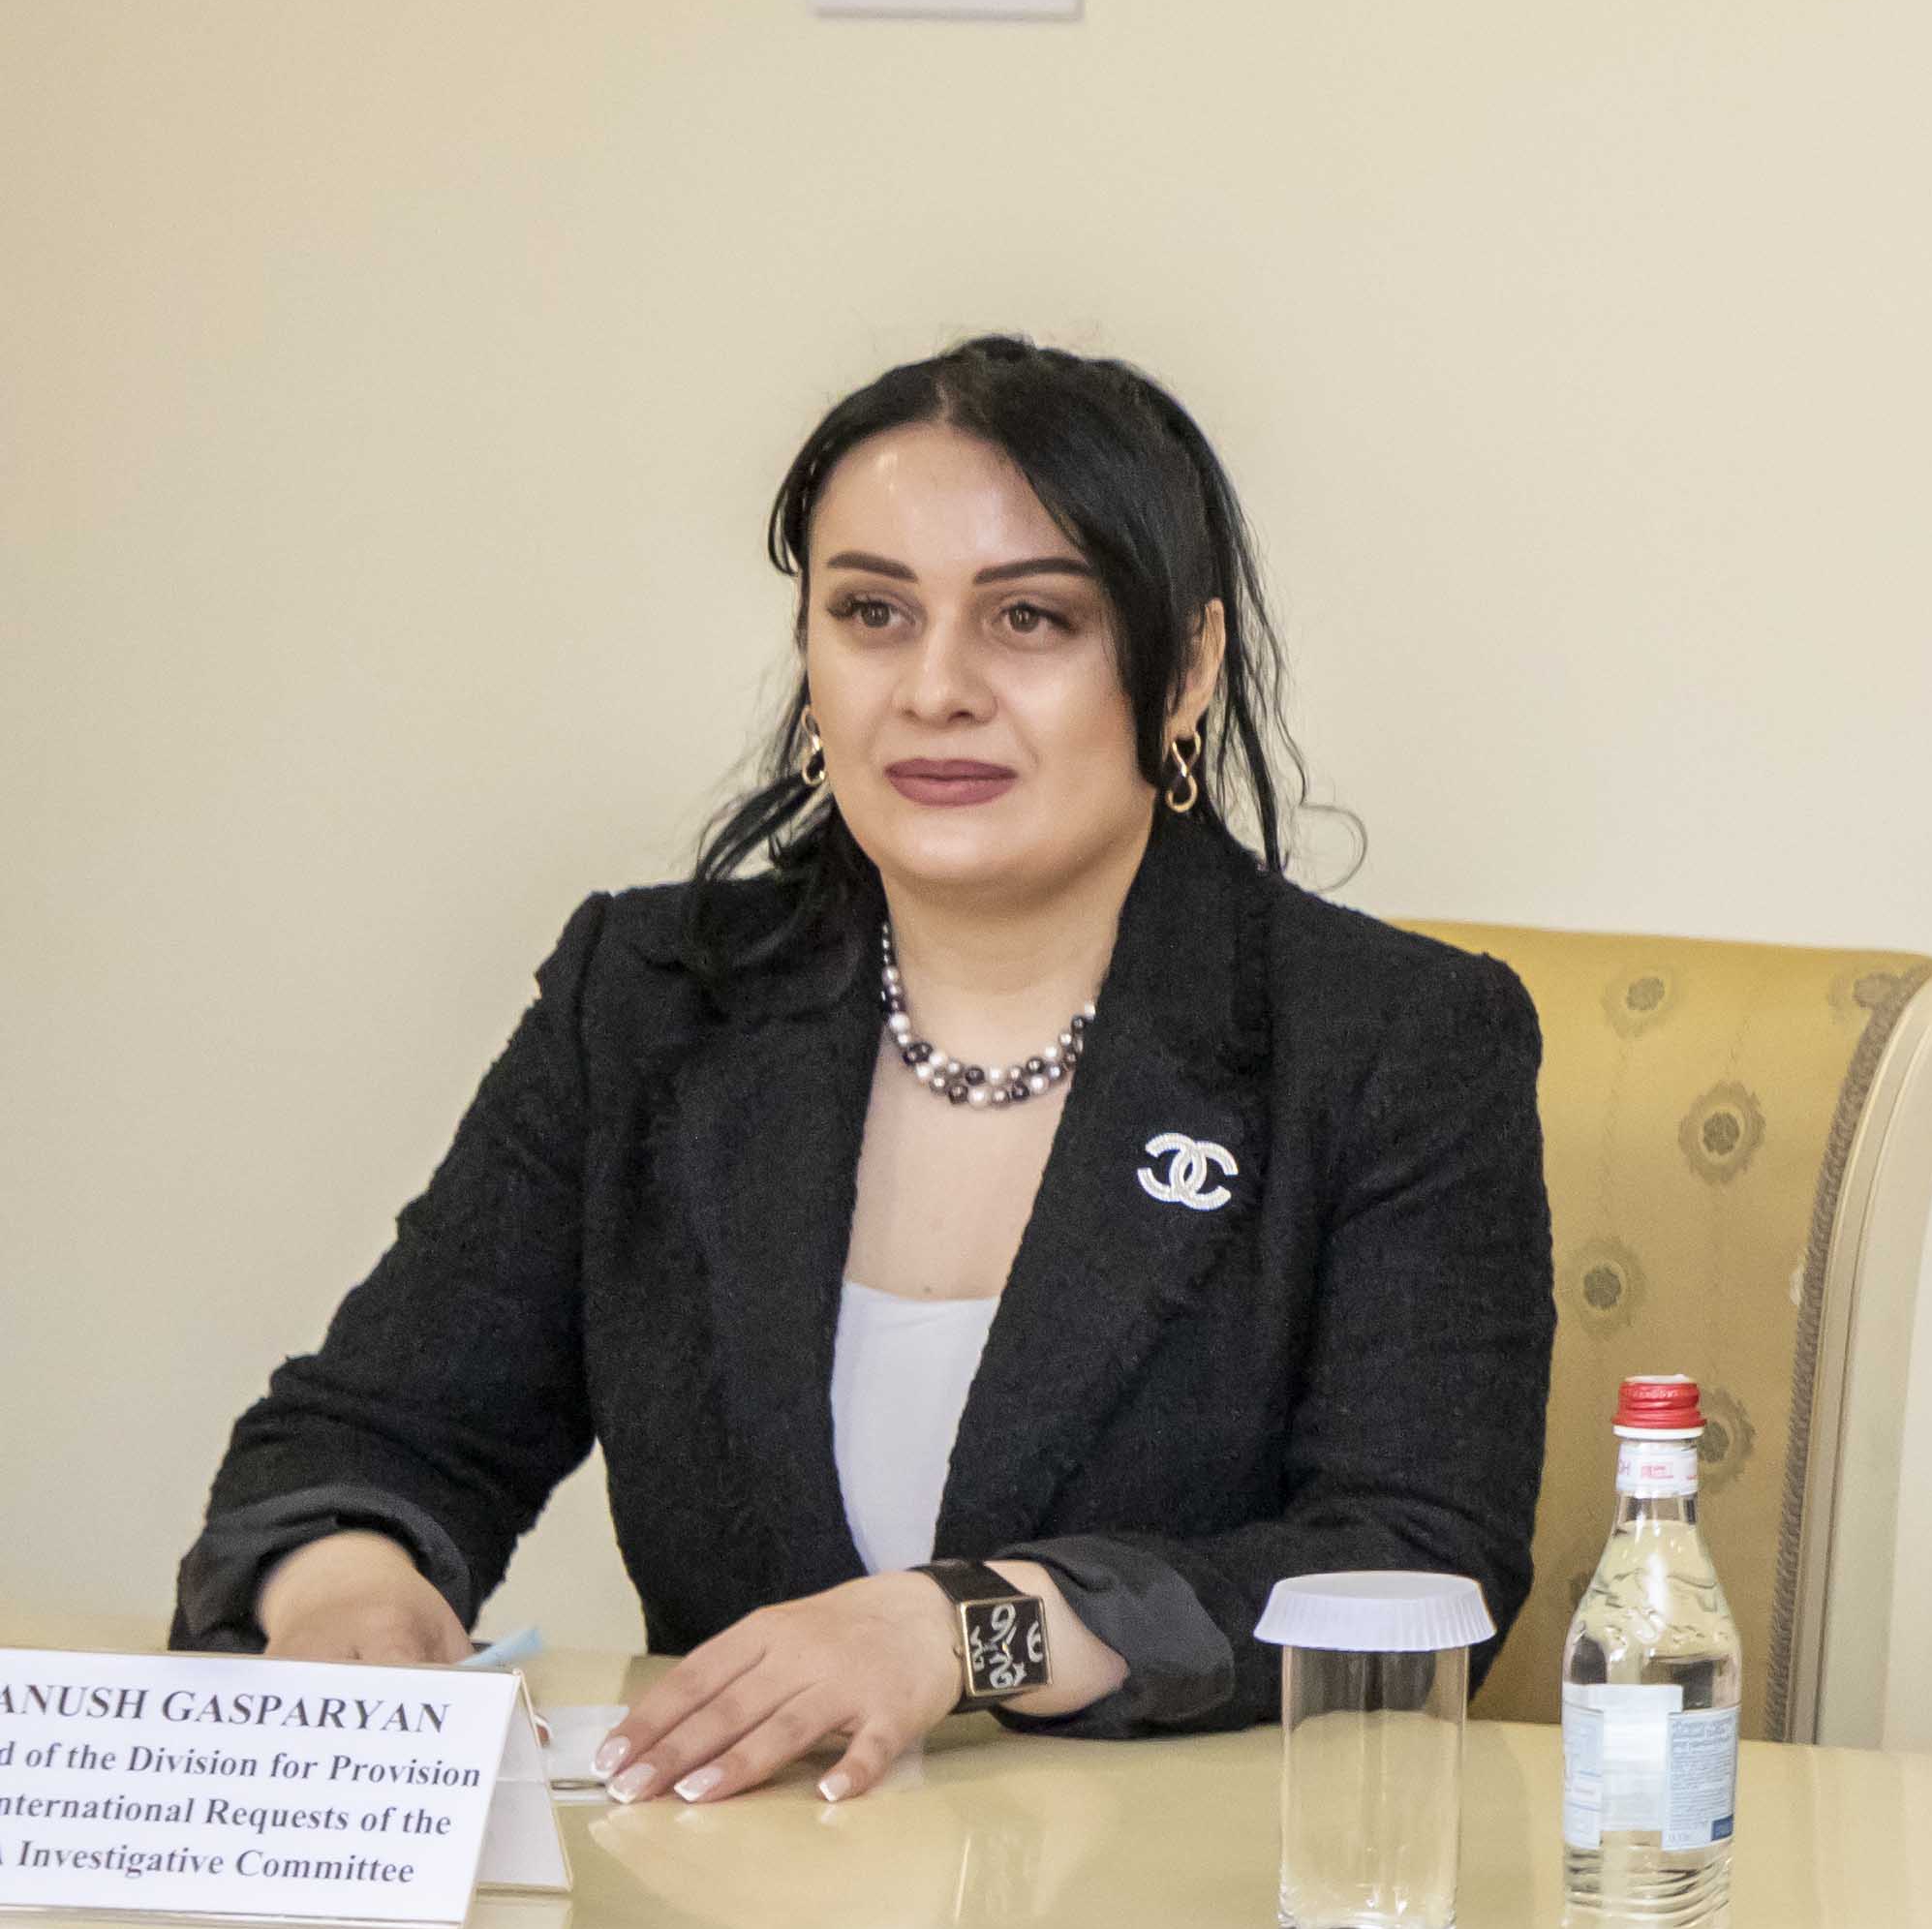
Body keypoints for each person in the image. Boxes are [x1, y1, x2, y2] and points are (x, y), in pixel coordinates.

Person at [178, 339, 1553, 1799]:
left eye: (1031, 618)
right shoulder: (649, 1003)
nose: (936, 688)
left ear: (1188, 669)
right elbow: (370, 1435)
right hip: (738, 1894)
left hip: (1172, 1909)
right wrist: (348, 1587)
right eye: (873, 613)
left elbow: (1420, 1567)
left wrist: (974, 1629)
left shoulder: (1397, 1041)